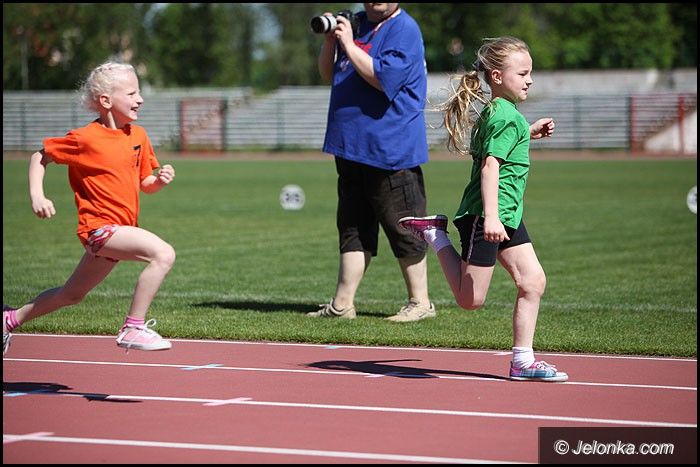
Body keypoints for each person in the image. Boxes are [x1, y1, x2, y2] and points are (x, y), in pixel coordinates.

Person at [398, 37, 568, 382]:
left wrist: (527, 133)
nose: (530, 80)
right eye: (522, 73)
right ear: (497, 76)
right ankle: (434, 234)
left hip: (507, 215)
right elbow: (491, 167)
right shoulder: (505, 116)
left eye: (530, 73)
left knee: (533, 281)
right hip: (487, 216)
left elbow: (499, 145)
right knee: (470, 300)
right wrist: (490, 217)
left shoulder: (503, 114)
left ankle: (522, 361)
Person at [3, 62, 176, 357]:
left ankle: (9, 320)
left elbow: (145, 183)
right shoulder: (85, 138)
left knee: (71, 295)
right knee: (163, 254)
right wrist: (37, 196)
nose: (140, 99)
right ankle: (133, 327)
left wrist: (159, 181)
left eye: (139, 93)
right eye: (132, 93)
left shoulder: (138, 136)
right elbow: (39, 157)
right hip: (99, 230)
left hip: (121, 230)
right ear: (106, 100)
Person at [307, 3, 436, 322]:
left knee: (404, 225)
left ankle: (420, 302)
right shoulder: (357, 23)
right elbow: (328, 74)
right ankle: (342, 304)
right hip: (350, 146)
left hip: (390, 148)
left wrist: (348, 43)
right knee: (353, 226)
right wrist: (331, 42)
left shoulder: (403, 29)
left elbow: (382, 78)